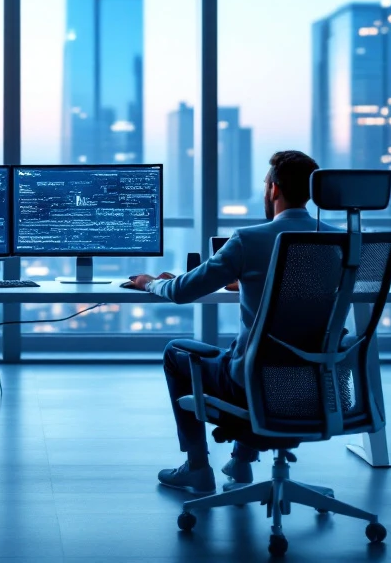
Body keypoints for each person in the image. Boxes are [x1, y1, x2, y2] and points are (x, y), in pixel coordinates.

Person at [127, 150, 325, 495]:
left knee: (177, 352)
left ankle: (197, 467)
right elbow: (303, 288)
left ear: (273, 190)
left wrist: (149, 282)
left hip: (250, 385)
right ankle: (241, 460)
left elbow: (182, 291)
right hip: (316, 384)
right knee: (261, 356)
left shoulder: (250, 240)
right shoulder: (341, 240)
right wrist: (248, 279)